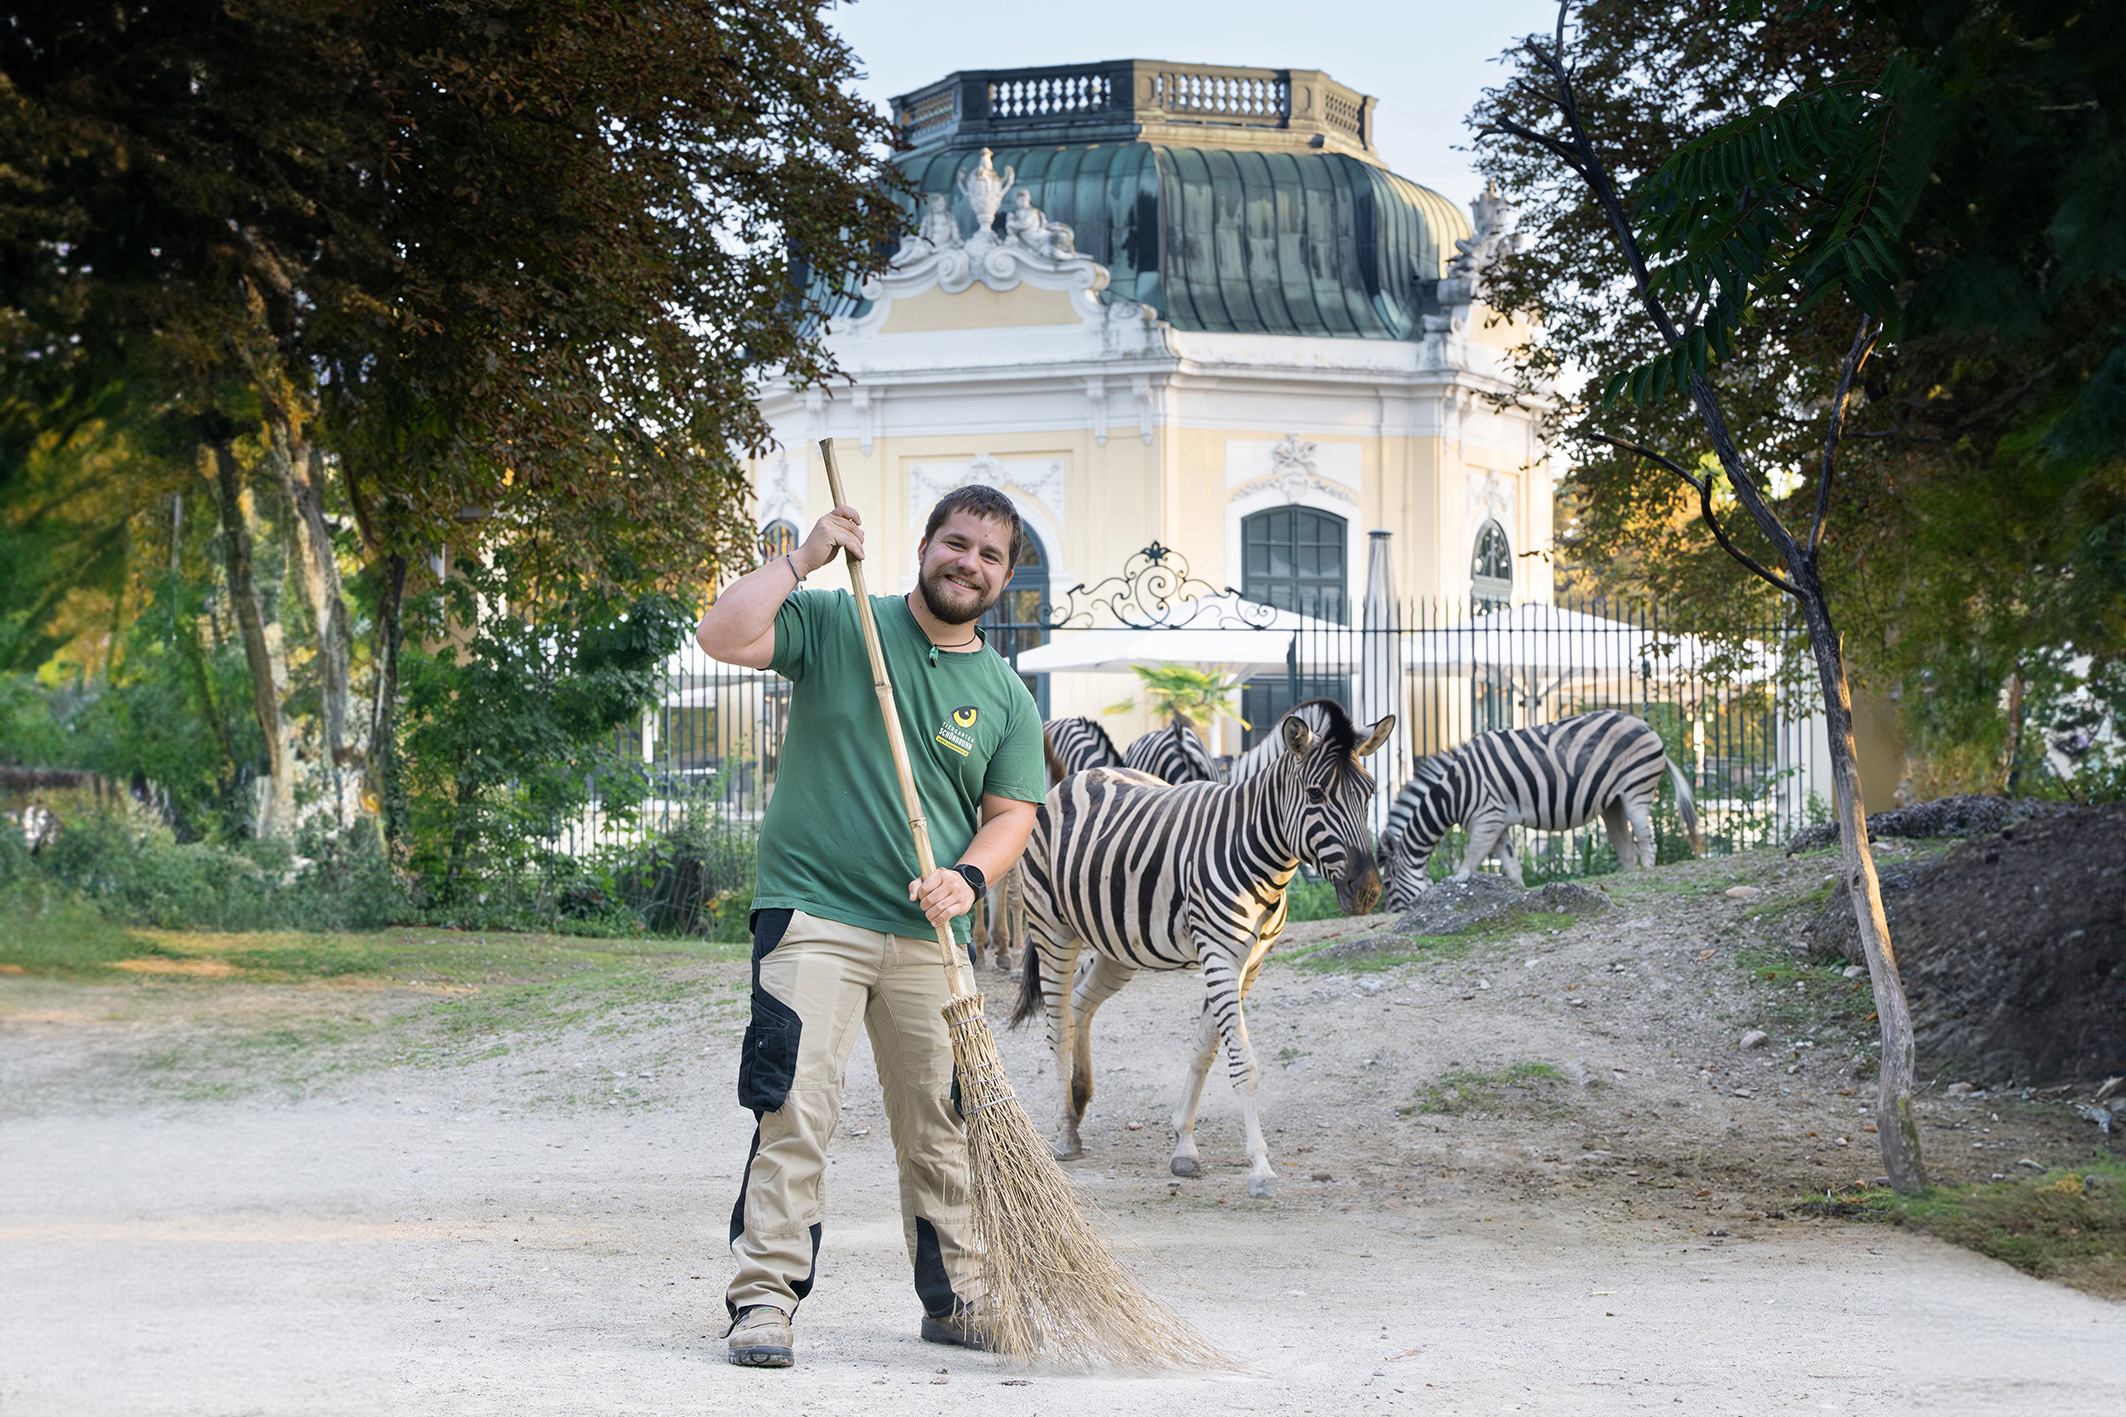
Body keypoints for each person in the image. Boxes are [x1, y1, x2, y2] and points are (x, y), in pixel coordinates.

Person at [693, 484, 1045, 1369]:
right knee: (793, 1107)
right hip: (812, 911)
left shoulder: (1004, 693)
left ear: (1004, 575)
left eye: (990, 555)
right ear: (925, 545)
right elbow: (722, 634)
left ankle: (956, 1297)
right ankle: (764, 1300)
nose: (969, 562)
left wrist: (969, 877)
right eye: (956, 543)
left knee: (946, 1120)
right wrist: (800, 557)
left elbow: (1011, 816)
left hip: (928, 935)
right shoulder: (840, 621)